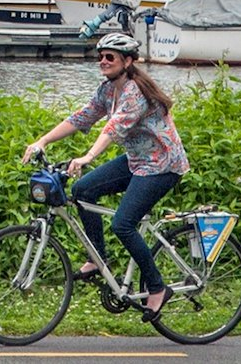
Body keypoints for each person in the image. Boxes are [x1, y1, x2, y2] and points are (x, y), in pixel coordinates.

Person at [22, 31, 188, 321]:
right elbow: (81, 117)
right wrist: (43, 141)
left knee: (123, 224)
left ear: (126, 61)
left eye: (109, 57)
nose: (103, 61)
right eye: (100, 56)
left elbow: (113, 128)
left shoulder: (135, 91)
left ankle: (157, 287)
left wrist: (87, 157)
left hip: (162, 164)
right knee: (84, 190)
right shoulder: (107, 90)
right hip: (137, 160)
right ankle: (97, 259)